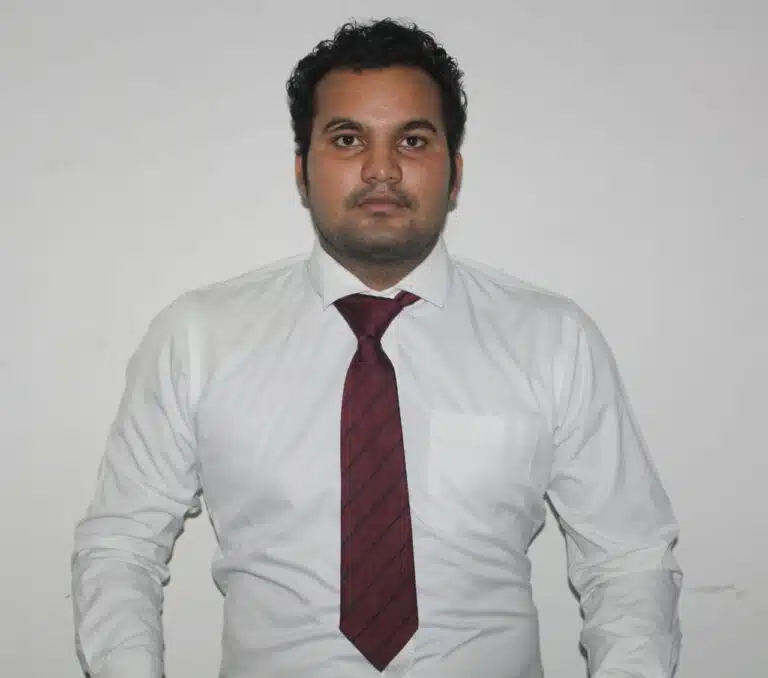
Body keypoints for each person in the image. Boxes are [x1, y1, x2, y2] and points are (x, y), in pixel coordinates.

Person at [71, 17, 683, 678]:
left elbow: (628, 558)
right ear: (303, 172)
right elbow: (121, 546)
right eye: (347, 139)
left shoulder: (553, 339)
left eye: (413, 140)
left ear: (454, 173)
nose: (381, 169)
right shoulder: (197, 337)